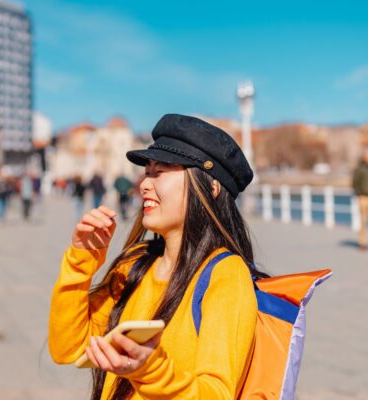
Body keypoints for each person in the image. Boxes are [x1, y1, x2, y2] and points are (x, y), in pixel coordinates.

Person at [48, 114, 268, 399]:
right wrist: (81, 261)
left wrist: (149, 368)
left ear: (211, 187)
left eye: (160, 171)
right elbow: (67, 347)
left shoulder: (225, 274)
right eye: (147, 172)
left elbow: (216, 392)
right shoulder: (136, 264)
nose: (144, 185)